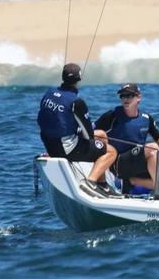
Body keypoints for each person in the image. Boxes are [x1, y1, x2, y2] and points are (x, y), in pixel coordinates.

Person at [36, 63, 118, 196]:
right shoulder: (77, 102)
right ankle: (90, 182)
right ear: (79, 79)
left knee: (102, 135)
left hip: (50, 146)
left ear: (63, 77)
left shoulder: (49, 93)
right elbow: (88, 136)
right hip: (67, 149)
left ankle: (103, 185)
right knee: (111, 151)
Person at [93, 83, 159, 192]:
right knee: (152, 149)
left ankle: (132, 181)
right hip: (119, 164)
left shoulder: (146, 118)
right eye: (122, 96)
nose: (125, 99)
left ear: (138, 98)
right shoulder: (112, 116)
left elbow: (157, 136)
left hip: (138, 163)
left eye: (129, 96)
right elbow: (91, 130)